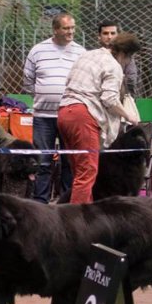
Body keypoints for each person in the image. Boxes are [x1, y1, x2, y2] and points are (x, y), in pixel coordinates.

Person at [57, 33, 141, 203]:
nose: (127, 63)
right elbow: (109, 99)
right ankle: (78, 225)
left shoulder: (89, 54)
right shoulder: (114, 66)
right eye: (129, 59)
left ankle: (82, 215)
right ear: (125, 54)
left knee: (79, 174)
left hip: (64, 112)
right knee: (87, 173)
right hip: (83, 115)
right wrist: (128, 115)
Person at [23, 12, 86, 203]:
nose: (70, 32)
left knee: (70, 161)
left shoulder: (81, 52)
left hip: (69, 115)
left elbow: (84, 81)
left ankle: (66, 203)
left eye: (73, 28)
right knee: (43, 162)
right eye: (66, 28)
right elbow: (28, 80)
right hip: (43, 116)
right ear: (55, 29)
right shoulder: (37, 50)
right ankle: (40, 203)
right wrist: (45, 96)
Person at [97, 19, 139, 96]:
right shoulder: (94, 56)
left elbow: (131, 80)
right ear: (99, 36)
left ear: (118, 35)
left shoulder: (126, 57)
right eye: (105, 33)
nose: (109, 37)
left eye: (113, 33)